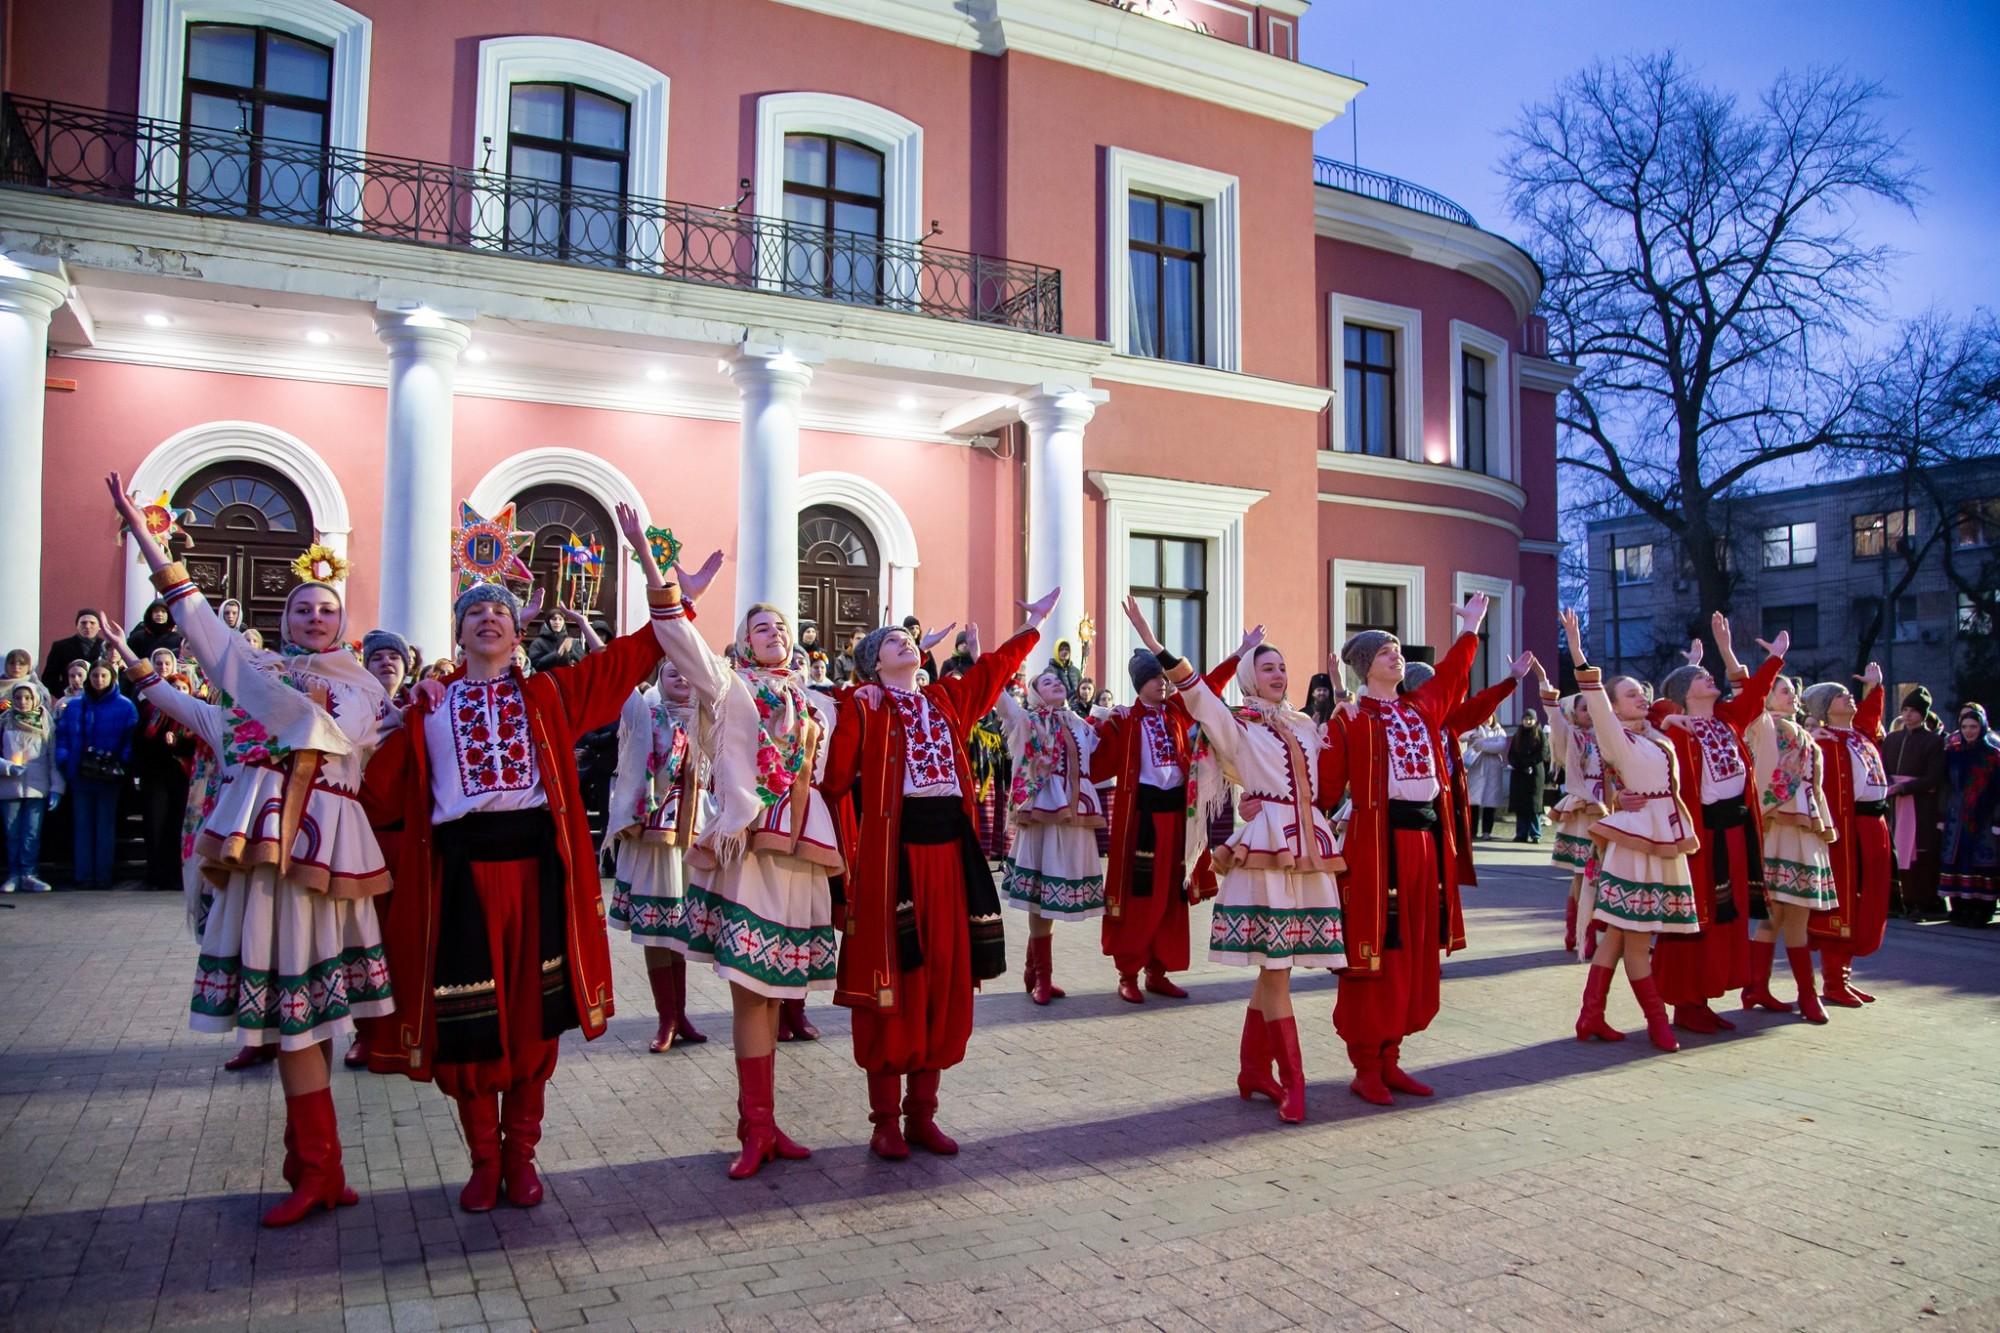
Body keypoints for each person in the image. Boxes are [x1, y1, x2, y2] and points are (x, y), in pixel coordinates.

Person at [361, 508, 672, 1213]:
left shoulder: (551, 693)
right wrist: (392, 710)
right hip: (458, 875)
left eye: (501, 610)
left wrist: (654, 572)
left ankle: (523, 1153)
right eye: (476, 612)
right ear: (457, 632)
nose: (489, 619)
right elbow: (375, 789)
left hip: (535, 871)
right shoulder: (425, 707)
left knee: (532, 1012)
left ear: (518, 629)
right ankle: (481, 1158)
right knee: (467, 1017)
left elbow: (637, 651)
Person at [106, 472, 395, 1227]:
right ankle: (311, 1164)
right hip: (265, 849)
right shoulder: (253, 669)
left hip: (326, 851)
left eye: (327, 609)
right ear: (285, 613)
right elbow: (200, 640)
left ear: (343, 620)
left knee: (310, 1013)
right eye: (302, 607)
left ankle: (317, 1167)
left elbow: (350, 736)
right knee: (299, 1012)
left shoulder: (362, 685)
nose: (314, 616)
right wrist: (148, 542)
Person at [825, 591, 1056, 1161]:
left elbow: (993, 671)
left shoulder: (946, 699)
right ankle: (884, 1122)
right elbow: (834, 781)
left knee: (944, 977)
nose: (908, 641)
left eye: (911, 639)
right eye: (894, 641)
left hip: (950, 856)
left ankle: (922, 1114)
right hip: (893, 862)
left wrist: (1032, 626)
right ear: (875, 663)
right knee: (897, 982)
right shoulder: (863, 704)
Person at [652, 553, 841, 1178]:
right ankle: (754, 1127)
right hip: (748, 844)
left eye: (781, 627)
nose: (775, 635)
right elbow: (676, 638)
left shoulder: (815, 699)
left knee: (773, 992)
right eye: (761, 628)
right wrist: (669, 583)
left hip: (797, 848)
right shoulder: (726, 685)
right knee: (748, 990)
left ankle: (765, 1123)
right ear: (740, 642)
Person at [1322, 598, 1507, 1103]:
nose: (1397, 657)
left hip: (1426, 844)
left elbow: (1452, 676)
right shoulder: (1351, 720)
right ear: (1365, 667)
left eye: (1398, 650)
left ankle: (1392, 1057)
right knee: (1378, 948)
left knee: (1416, 945)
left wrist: (1470, 627)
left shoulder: (1420, 709)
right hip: (1376, 847)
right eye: (1386, 652)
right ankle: (1365, 1064)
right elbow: (1323, 788)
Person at [1163, 621, 1343, 1124]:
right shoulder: (1239, 727)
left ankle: (1252, 1071)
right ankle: (1294, 1083)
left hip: (1307, 849)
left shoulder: (1305, 724)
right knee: (1278, 968)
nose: (1279, 674)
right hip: (1267, 850)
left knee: (1274, 967)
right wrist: (1159, 646)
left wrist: (1342, 689)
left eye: (1283, 667)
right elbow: (1198, 699)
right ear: (1249, 677)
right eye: (1268, 668)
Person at [1560, 608, 1700, 1053]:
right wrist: (1580, 656)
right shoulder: (1615, 737)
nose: (1641, 697)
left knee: (1619, 936)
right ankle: (1658, 1024)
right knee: (1638, 941)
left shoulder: (1654, 734)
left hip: (1660, 836)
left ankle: (1591, 1016)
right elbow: (1598, 703)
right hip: (1638, 841)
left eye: (1643, 692)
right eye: (1631, 694)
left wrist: (1692, 666)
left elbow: (1664, 708)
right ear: (1614, 707)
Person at [1091, 601, 1246, 1005]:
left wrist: (1239, 654)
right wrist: (1088, 728)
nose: (1162, 683)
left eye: (1164, 677)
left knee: (1173, 895)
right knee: (1141, 895)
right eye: (1154, 679)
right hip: (1142, 819)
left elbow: (1207, 685)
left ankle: (1158, 971)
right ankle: (1128, 973)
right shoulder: (1124, 720)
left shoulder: (1177, 711)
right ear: (1138, 683)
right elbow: (1092, 763)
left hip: (1179, 817)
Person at [1649, 616, 1785, 1035]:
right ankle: (1684, 1002)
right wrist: (1669, 718)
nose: (1712, 680)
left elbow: (1755, 692)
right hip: (1701, 836)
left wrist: (1741, 652)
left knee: (1727, 916)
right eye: (1702, 677)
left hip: (1735, 832)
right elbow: (1643, 717)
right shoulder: (1676, 729)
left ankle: (1703, 997)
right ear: (1684, 693)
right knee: (1697, 918)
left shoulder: (1727, 720)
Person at [604, 660, 706, 1053]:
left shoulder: (710, 715)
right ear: (659, 682)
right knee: (656, 930)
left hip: (695, 830)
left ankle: (680, 1015)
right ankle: (666, 1018)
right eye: (671, 673)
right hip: (653, 834)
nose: (681, 678)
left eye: (687, 672)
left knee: (678, 929)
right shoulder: (647, 713)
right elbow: (620, 681)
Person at [994, 661, 1107, 1003]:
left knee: (1051, 897)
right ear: (1034, 693)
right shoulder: (1026, 721)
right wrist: (980, 656)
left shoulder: (1079, 724)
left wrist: (1108, 715)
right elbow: (1000, 701)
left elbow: (1103, 753)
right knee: (1040, 898)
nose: (1056, 684)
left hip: (1072, 818)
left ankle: (1035, 971)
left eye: (1058, 681)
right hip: (1042, 816)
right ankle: (1043, 977)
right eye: (1047, 682)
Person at [1744, 670, 1837, 1022]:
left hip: (1804, 826)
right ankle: (1804, 995)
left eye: (1792, 691)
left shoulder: (1802, 733)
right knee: (1787, 913)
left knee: (1785, 914)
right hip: (1778, 826)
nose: (1791, 695)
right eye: (1782, 691)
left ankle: (1758, 987)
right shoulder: (1765, 726)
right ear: (1766, 699)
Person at [51, 660, 137, 889]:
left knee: (105, 827)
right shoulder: (76, 706)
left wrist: (122, 760)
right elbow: (63, 736)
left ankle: (103, 876)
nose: (99, 680)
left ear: (111, 678)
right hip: (80, 774)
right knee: (82, 826)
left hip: (109, 776)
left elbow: (130, 739)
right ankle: (84, 876)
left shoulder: (125, 706)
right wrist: (64, 759)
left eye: (103, 676)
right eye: (95, 676)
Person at [1542, 676, 1608, 957]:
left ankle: (1578, 931)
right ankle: (1582, 932)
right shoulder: (1573, 736)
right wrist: (1546, 688)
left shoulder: (1604, 735)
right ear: (1573, 713)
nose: (1590, 714)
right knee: (1586, 872)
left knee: (1591, 873)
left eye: (1592, 708)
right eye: (1584, 709)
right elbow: (1556, 725)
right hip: (1584, 810)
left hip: (1605, 807)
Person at [131, 654, 196, 893]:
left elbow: (198, 744)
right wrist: (161, 740)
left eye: (182, 687)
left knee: (177, 827)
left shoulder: (194, 714)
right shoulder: (151, 712)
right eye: (174, 687)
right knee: (155, 826)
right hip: (155, 776)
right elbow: (140, 741)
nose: (178, 691)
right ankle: (155, 874)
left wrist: (178, 742)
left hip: (183, 777)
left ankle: (176, 875)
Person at [1880, 688, 1947, 919]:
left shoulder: (1933, 741)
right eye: (1905, 710)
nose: (1908, 715)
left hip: (1920, 805)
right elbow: (1882, 769)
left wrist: (1905, 787)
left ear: (1923, 714)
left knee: (1919, 853)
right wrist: (1889, 784)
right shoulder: (1892, 739)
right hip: (1894, 803)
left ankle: (1920, 900)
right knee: (1894, 850)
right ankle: (1897, 898)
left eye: (1913, 711)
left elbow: (1935, 776)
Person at [1939, 704, 2000, 927]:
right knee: (1956, 860)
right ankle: (1960, 908)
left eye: (1973, 726)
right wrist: (1942, 814)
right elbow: (1946, 785)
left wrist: (1997, 819)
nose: (1968, 731)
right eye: (1964, 726)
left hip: (1983, 818)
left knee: (1980, 861)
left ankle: (1982, 910)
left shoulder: (1993, 755)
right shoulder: (1954, 753)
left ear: (1982, 727)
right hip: (1956, 816)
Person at [1, 678, 61, 892]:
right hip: (10, 787)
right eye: (18, 697)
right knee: (12, 834)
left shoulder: (45, 722)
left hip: (37, 787)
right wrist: (7, 767)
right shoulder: (4, 721)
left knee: (31, 834)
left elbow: (53, 758)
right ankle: (14, 873)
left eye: (27, 697)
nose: (23, 702)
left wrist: (56, 789)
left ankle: (29, 872)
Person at [40, 608, 110, 695]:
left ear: (99, 627)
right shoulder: (61, 647)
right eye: (83, 623)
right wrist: (65, 693)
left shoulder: (107, 647)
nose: (87, 626)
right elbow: (49, 677)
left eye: (92, 623)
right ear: (77, 625)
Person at [1463, 715, 1511, 841]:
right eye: (1485, 716)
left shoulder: (1499, 731)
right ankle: (1472, 832)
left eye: (1489, 717)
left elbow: (1500, 746)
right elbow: (1462, 735)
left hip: (1492, 770)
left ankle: (1486, 832)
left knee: (1490, 803)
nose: (1487, 719)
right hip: (1477, 768)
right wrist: (1472, 737)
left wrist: (1482, 745)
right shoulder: (1475, 729)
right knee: (1473, 802)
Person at [1507, 711, 1550, 843]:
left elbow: (1544, 752)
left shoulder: (1539, 734)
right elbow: (1511, 754)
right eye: (1525, 719)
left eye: (1530, 719)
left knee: (1533, 806)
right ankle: (1521, 833)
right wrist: (1518, 764)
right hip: (1519, 774)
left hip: (1534, 775)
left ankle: (1535, 833)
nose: (1528, 722)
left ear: (1534, 720)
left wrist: (1529, 762)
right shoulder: (1518, 735)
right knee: (1520, 805)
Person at [361, 629, 415, 710]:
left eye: (394, 657)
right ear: (366, 668)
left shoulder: (419, 705)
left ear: (405, 668)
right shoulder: (350, 708)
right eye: (377, 658)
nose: (386, 662)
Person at [527, 609, 588, 674]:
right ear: (548, 621)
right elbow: (535, 666)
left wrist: (570, 651)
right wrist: (556, 654)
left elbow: (583, 663)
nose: (557, 622)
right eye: (554, 619)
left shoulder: (572, 642)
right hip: (547, 680)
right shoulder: (538, 643)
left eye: (560, 619)